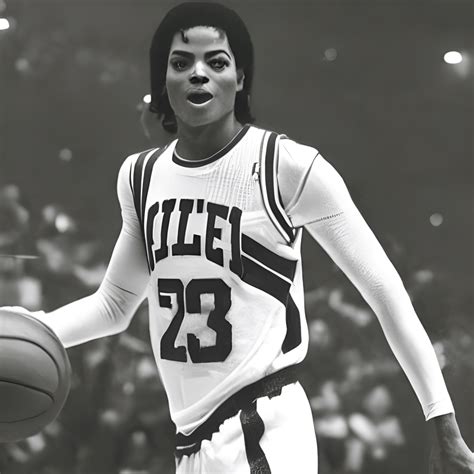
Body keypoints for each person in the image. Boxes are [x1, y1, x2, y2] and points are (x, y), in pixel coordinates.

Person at [3, 3, 473, 473]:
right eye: (181, 62)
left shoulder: (286, 166)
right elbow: (114, 305)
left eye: (217, 61)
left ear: (240, 77)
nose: (198, 73)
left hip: (265, 424)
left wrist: (442, 420)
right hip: (191, 441)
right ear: (163, 79)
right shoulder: (140, 176)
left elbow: (384, 290)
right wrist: (31, 328)